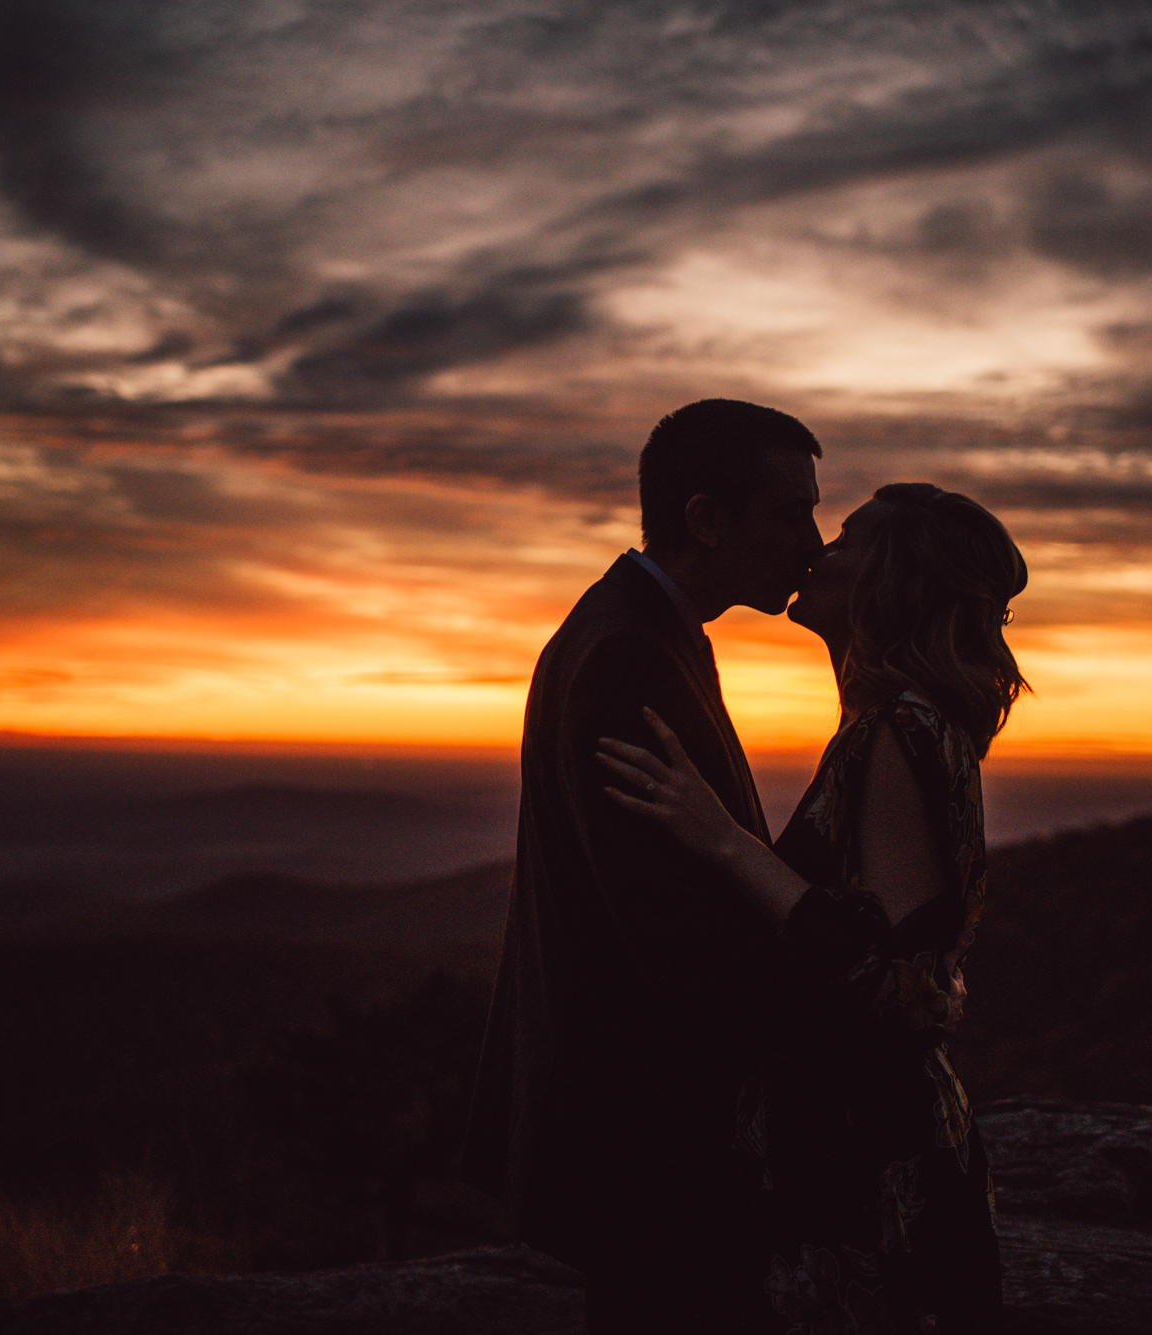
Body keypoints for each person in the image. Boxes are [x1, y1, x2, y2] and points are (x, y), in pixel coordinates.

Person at [597, 482, 1028, 1334]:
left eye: (848, 540)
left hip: (865, 1159)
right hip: (874, 1138)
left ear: (888, 582)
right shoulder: (909, 725)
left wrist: (722, 840)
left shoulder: (896, 733)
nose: (820, 545)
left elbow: (898, 978)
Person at [461, 399, 826, 1332]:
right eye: (791, 513)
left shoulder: (630, 628)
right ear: (707, 518)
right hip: (654, 1150)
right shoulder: (625, 654)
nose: (813, 543)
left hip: (646, 1142)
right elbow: (672, 942)